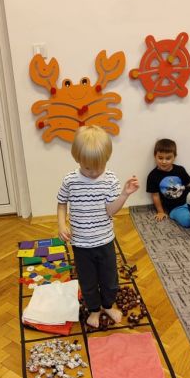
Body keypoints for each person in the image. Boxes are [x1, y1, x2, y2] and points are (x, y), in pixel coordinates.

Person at [57, 125, 139, 328]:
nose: (94, 172)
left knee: (110, 279)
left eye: (99, 167)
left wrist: (124, 195)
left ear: (106, 159)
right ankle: (94, 309)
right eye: (88, 168)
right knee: (88, 281)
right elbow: (61, 203)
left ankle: (108, 305)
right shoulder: (70, 180)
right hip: (81, 245)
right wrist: (61, 224)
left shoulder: (110, 180)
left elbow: (111, 211)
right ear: (77, 159)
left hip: (105, 242)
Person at [146, 138, 190, 227]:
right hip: (175, 208)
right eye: (160, 158)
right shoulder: (152, 176)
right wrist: (160, 212)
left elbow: (188, 186)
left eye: (168, 158)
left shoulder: (180, 170)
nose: (164, 161)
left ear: (174, 157)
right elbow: (155, 196)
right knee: (188, 221)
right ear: (155, 156)